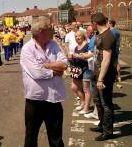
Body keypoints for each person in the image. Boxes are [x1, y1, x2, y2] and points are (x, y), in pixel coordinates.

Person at [20, 17, 67, 147]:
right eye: (50, 28)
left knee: (56, 138)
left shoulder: (53, 44)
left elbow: (64, 64)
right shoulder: (27, 49)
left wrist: (46, 65)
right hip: (35, 100)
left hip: (54, 99)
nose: (53, 30)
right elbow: (36, 73)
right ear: (41, 31)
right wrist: (54, 70)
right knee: (31, 137)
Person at [89, 12, 117, 141]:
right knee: (98, 101)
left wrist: (101, 78)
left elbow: (106, 59)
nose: (91, 26)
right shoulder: (100, 35)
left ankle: (108, 132)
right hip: (96, 73)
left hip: (104, 76)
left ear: (95, 23)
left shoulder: (108, 36)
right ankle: (102, 125)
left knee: (106, 104)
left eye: (92, 24)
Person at [68, 30, 91, 115]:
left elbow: (89, 57)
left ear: (83, 36)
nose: (77, 38)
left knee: (86, 89)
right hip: (77, 69)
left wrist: (78, 56)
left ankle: (86, 107)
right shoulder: (76, 47)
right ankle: (83, 102)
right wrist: (71, 58)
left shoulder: (87, 46)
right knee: (74, 87)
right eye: (76, 36)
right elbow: (75, 59)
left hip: (86, 69)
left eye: (79, 36)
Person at [108, 20, 122, 89]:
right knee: (116, 63)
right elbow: (119, 41)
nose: (107, 24)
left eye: (108, 23)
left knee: (111, 64)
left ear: (110, 24)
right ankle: (118, 78)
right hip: (116, 49)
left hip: (111, 50)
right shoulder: (117, 31)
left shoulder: (110, 31)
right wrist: (119, 48)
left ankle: (113, 77)